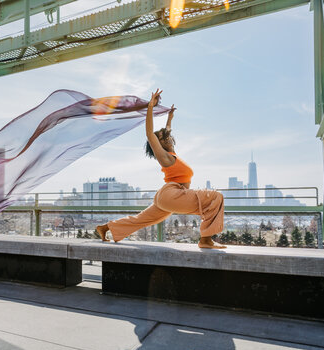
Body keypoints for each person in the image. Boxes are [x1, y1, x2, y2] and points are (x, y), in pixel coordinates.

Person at [96, 89, 226, 249]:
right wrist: (150, 106)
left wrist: (170, 118)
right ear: (161, 144)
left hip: (167, 197)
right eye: (166, 138)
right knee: (216, 197)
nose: (170, 138)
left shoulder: (173, 155)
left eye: (170, 136)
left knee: (141, 219)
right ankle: (206, 239)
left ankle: (105, 228)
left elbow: (167, 130)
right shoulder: (164, 157)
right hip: (173, 195)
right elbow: (150, 134)